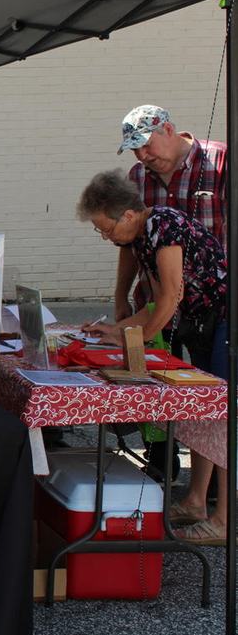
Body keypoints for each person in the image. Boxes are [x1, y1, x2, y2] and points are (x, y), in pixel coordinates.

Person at [78, 169, 228, 546]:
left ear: (127, 214)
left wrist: (139, 339)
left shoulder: (164, 226)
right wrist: (118, 330)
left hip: (226, 321)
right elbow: (152, 305)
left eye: (105, 228)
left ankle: (223, 520)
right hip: (205, 323)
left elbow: (170, 297)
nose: (105, 236)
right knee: (202, 413)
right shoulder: (144, 237)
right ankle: (195, 502)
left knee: (224, 417)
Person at [113, 105, 228, 479]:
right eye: (135, 150)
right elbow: (129, 244)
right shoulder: (136, 177)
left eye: (146, 145)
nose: (143, 156)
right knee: (155, 385)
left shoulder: (220, 161)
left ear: (169, 129)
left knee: (206, 391)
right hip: (156, 299)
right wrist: (120, 295)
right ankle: (161, 460)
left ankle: (208, 487)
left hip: (210, 304)